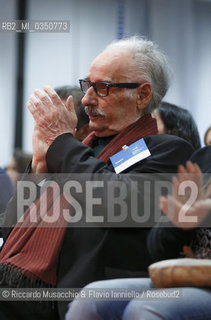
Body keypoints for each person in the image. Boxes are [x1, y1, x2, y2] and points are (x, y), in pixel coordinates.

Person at [0, 36, 194, 320]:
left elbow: (112, 201)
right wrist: (38, 171)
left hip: (77, 296)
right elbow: (9, 234)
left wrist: (61, 143)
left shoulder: (168, 151)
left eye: (102, 88)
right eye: (87, 85)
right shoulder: (78, 151)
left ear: (142, 95)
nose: (88, 99)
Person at [65, 147, 211, 320]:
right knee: (89, 299)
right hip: (190, 277)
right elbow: (158, 251)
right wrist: (179, 225)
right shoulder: (203, 159)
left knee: (145, 309)